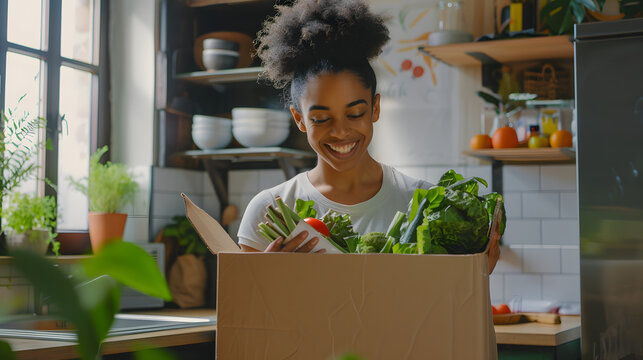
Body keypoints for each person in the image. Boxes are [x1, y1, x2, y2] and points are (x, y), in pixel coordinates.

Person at [237, 0, 501, 273]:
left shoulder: (423, 204)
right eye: (321, 119)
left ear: (375, 108)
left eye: (355, 114)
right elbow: (244, 312)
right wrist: (265, 279)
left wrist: (475, 273)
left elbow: (441, 307)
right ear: (299, 119)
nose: (340, 132)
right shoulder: (269, 213)